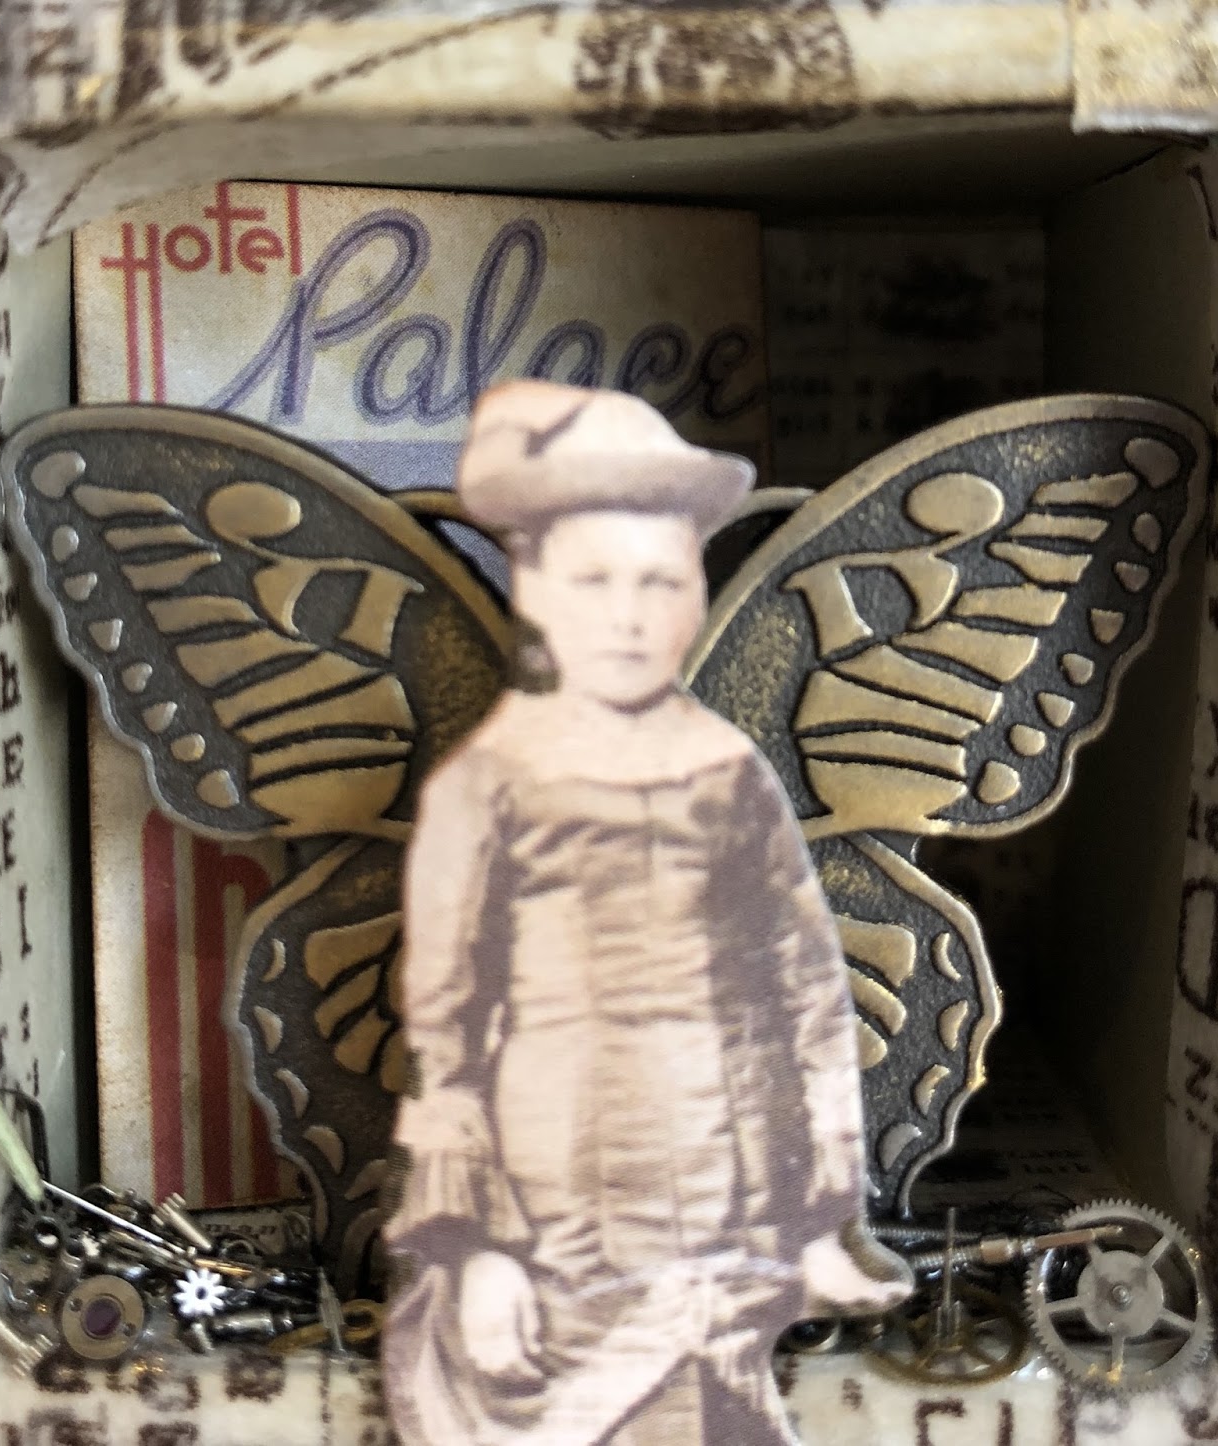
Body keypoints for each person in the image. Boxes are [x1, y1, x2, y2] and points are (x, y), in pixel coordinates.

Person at [383, 381, 907, 1446]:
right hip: (560, 1214)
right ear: (533, 584)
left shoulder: (732, 771)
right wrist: (473, 1254)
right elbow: (444, 1031)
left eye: (660, 581)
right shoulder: (489, 783)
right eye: (594, 581)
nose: (628, 615)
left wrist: (820, 1219)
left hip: (732, 1200)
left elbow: (807, 993)